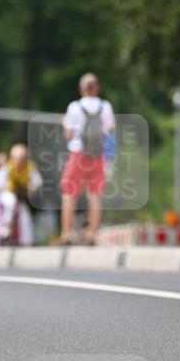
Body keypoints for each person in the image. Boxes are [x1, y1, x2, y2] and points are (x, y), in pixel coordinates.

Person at [59, 72, 115, 245]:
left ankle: (67, 234)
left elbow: (68, 134)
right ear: (97, 88)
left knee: (69, 193)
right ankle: (92, 234)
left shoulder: (74, 107)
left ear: (81, 89)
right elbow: (108, 130)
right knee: (95, 195)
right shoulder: (105, 106)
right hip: (98, 155)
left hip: (78, 153)